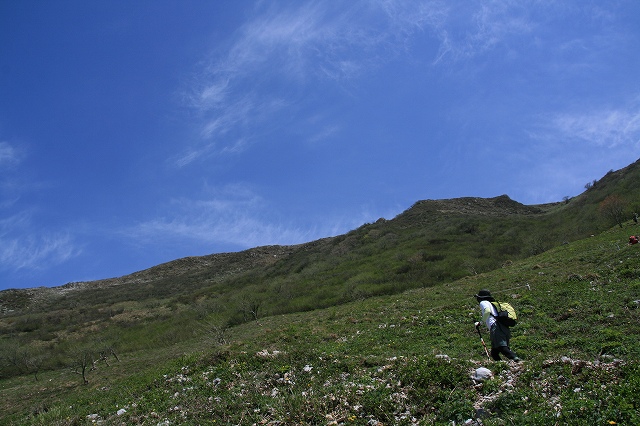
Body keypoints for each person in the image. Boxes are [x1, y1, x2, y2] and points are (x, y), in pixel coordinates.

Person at [474, 289, 521, 362]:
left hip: (496, 326)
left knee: (502, 347)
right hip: (503, 326)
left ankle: (516, 359)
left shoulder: (483, 302)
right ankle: (502, 365)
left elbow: (487, 311)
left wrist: (481, 322)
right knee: (494, 352)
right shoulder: (491, 303)